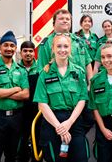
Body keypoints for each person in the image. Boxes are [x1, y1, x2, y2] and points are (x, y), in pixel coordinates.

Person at [33, 34, 88, 162]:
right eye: (59, 46)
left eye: (66, 46)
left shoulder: (79, 72)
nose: (62, 49)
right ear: (52, 49)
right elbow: (42, 103)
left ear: (70, 49)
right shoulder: (45, 74)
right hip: (52, 122)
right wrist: (60, 128)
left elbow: (82, 100)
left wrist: (68, 123)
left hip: (74, 121)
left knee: (80, 158)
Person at [0, 31, 29, 162]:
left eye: (12, 45)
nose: (9, 48)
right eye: (5, 45)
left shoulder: (21, 69)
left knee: (13, 155)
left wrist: (2, 92)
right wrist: (15, 89)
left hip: (16, 118)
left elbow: (25, 94)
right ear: (0, 48)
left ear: (15, 48)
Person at [37, 9, 93, 83]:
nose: (65, 21)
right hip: (57, 89)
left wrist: (90, 84)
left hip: (80, 88)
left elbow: (87, 64)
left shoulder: (79, 41)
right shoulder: (46, 43)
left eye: (68, 19)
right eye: (61, 19)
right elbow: (42, 69)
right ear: (53, 24)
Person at [18, 41, 40, 162]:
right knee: (21, 140)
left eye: (30, 51)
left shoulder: (41, 68)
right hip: (20, 111)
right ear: (20, 53)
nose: (28, 53)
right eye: (25, 51)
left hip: (37, 111)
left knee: (38, 140)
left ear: (34, 53)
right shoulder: (15, 68)